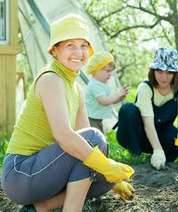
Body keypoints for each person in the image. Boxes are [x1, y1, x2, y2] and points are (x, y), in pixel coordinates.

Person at [1, 14, 135, 212]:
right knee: (97, 150)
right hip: (21, 173)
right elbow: (64, 135)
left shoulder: (77, 89)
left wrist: (110, 175)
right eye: (70, 45)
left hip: (44, 171)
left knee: (103, 172)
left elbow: (84, 140)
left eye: (83, 45)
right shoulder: (50, 79)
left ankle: (43, 206)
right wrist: (106, 166)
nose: (79, 52)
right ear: (55, 50)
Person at [116, 47, 178, 170]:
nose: (164, 77)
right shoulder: (145, 87)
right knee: (127, 109)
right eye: (159, 71)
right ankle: (136, 155)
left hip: (163, 132)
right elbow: (148, 124)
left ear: (176, 73)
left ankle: (163, 158)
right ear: (153, 71)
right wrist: (157, 149)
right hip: (139, 134)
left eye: (169, 72)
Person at [85, 51, 128, 132]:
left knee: (98, 137)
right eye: (108, 71)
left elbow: (110, 101)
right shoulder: (94, 85)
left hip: (96, 118)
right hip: (90, 119)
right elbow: (104, 101)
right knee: (95, 139)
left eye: (111, 72)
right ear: (96, 70)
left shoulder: (102, 84)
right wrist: (118, 93)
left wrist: (120, 97)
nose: (110, 74)